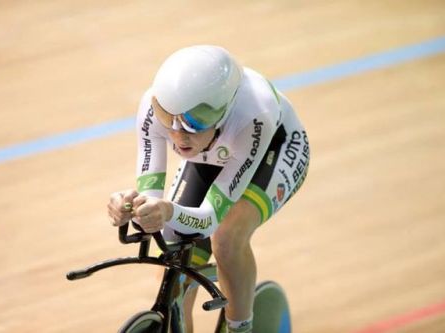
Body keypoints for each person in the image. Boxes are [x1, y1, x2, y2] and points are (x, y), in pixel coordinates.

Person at [107, 45, 309, 333]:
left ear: (223, 111)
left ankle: (240, 328)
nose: (178, 135)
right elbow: (149, 206)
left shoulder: (254, 115)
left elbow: (209, 218)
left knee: (226, 238)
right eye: (169, 120)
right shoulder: (153, 109)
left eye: (194, 123)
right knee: (174, 257)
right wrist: (130, 206)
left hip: (273, 152)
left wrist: (167, 210)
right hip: (212, 154)